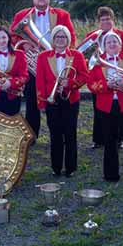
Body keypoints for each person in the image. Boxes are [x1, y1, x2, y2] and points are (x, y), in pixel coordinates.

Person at [10, 0, 77, 139]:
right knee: (32, 101)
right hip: (32, 66)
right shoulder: (22, 15)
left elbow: (71, 37)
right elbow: (12, 36)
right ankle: (32, 136)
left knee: (55, 100)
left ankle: (58, 135)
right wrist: (24, 44)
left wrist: (62, 52)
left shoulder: (62, 15)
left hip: (54, 64)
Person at [87, 31, 123, 183]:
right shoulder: (98, 61)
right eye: (108, 42)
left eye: (115, 42)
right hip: (106, 106)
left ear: (120, 44)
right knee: (109, 140)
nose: (112, 44)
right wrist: (106, 85)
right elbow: (91, 84)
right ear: (104, 46)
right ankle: (111, 175)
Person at [36, 26, 88, 177]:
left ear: (68, 39)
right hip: (51, 100)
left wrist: (70, 83)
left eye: (63, 37)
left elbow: (84, 76)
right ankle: (56, 167)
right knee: (55, 134)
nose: (60, 40)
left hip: (70, 100)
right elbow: (40, 81)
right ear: (53, 39)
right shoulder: (43, 56)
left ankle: (71, 168)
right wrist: (41, 103)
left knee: (70, 134)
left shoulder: (77, 56)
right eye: (57, 37)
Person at [77, 6, 123, 149]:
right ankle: (99, 138)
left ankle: (119, 139)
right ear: (98, 22)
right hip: (99, 75)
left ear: (113, 20)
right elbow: (83, 53)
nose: (106, 22)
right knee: (98, 108)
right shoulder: (92, 35)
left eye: (108, 19)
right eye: (102, 20)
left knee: (119, 108)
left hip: (117, 73)